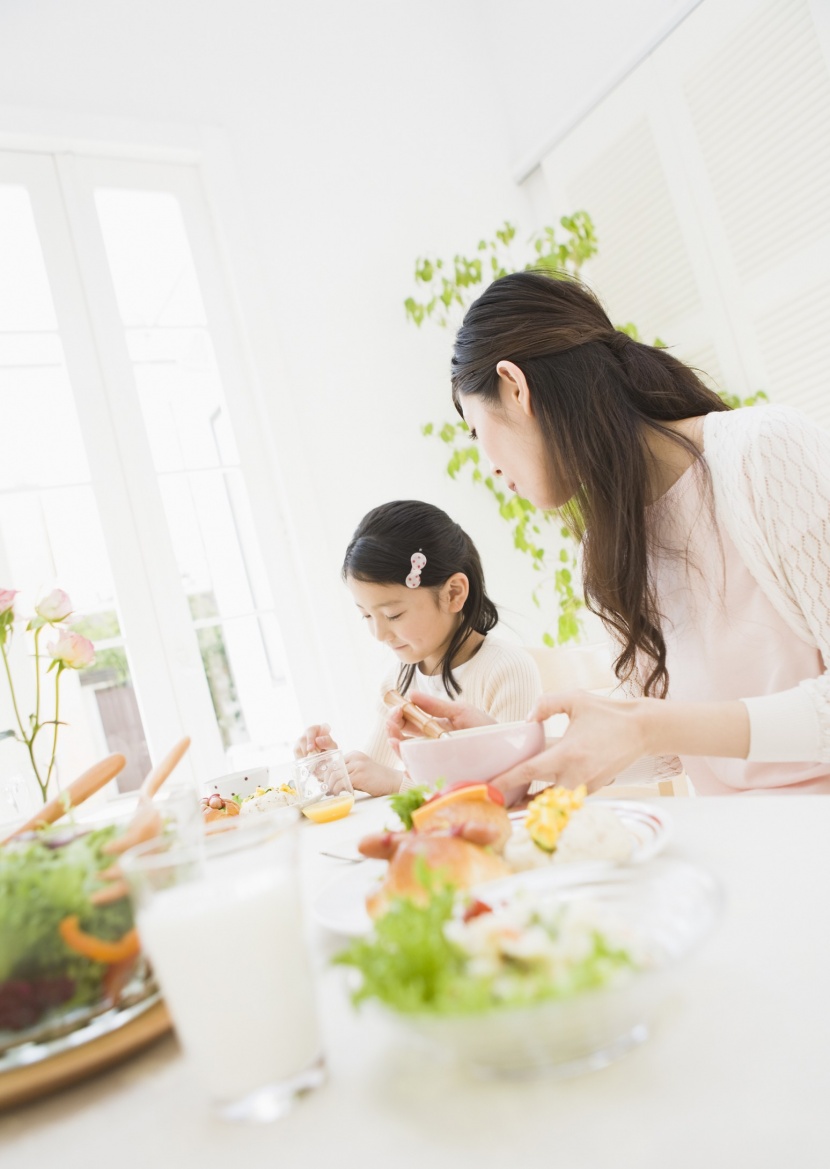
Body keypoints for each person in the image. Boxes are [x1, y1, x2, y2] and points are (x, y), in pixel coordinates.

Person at [387, 270, 830, 799]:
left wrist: (648, 725)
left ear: (514, 386)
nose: (492, 470)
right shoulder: (608, 546)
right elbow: (664, 747)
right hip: (736, 844)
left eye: (478, 433)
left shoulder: (764, 451)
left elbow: (657, 728)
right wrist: (509, 744)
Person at [293, 499, 541, 795]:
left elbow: (521, 787)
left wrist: (398, 783)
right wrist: (333, 767)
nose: (379, 633)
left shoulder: (506, 669)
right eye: (366, 616)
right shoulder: (397, 683)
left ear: (453, 593)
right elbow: (371, 774)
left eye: (393, 615)